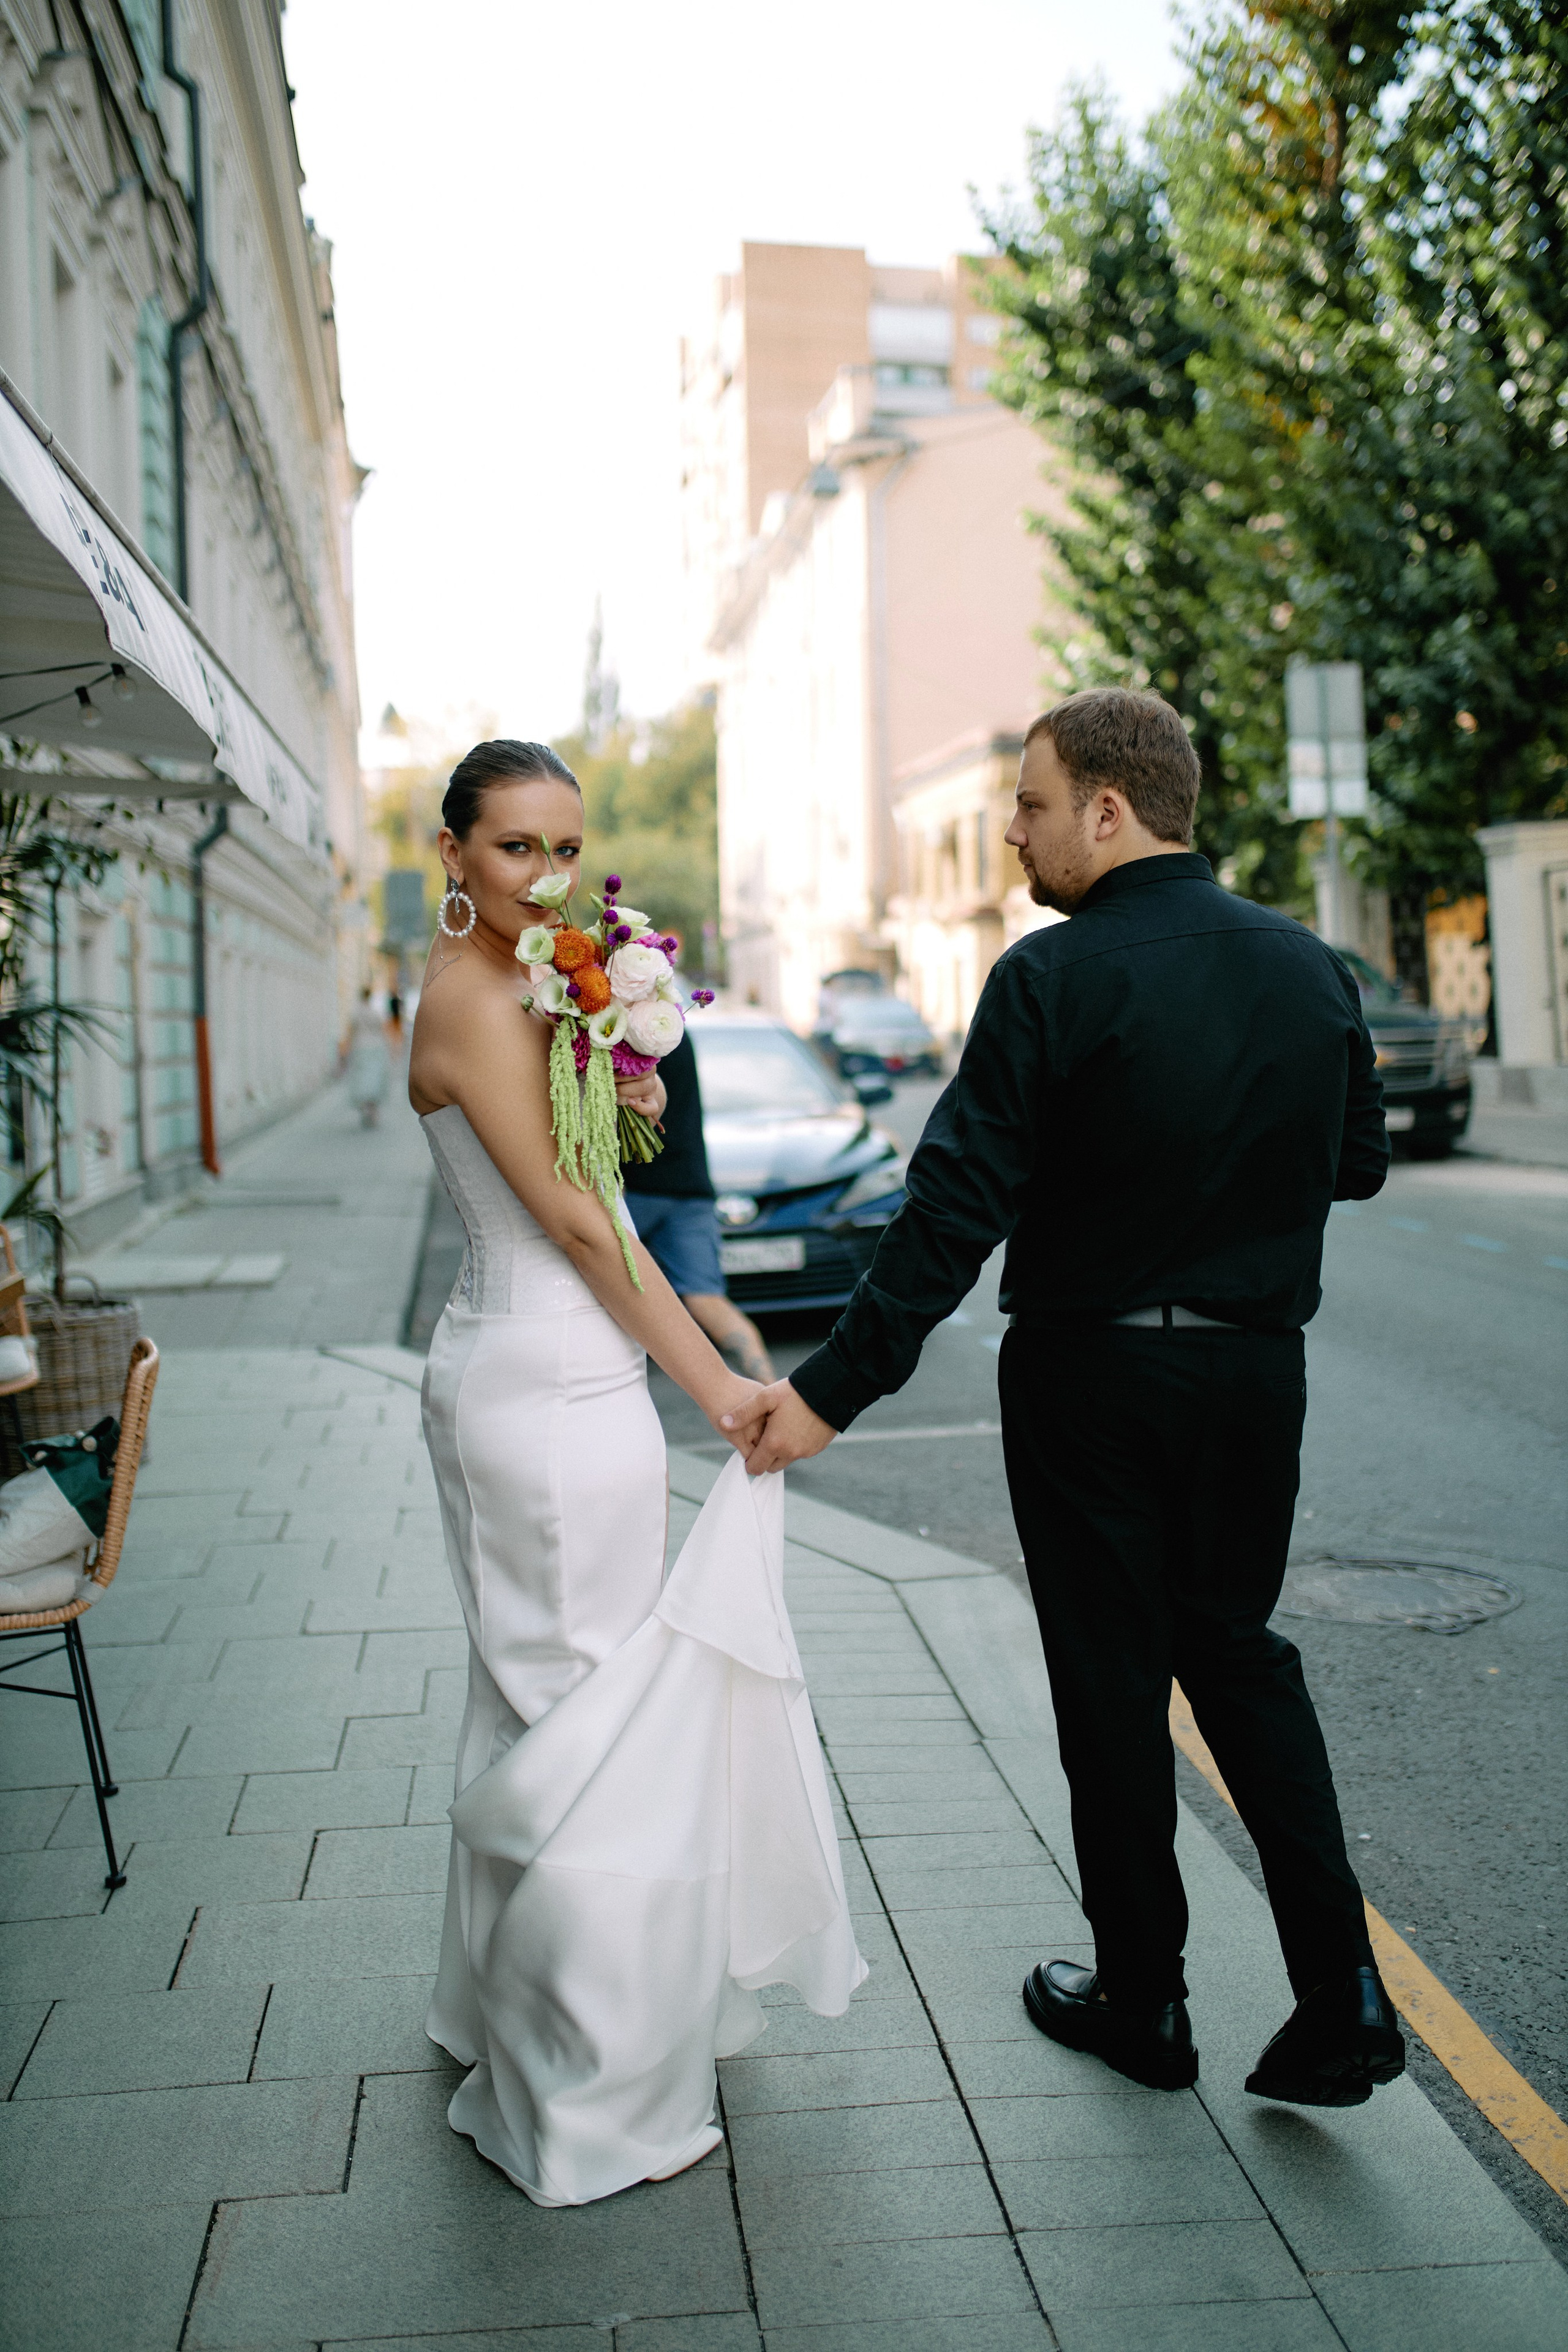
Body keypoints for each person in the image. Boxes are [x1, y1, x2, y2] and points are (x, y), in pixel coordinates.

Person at [730, 688, 1407, 2110]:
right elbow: (1354, 1162)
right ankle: (1339, 1987)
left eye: (1029, 805)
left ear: (1107, 807)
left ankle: (1145, 2000)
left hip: (1090, 1369)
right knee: (1235, 1650)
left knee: (1110, 1674)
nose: (1012, 834)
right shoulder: (1306, 967)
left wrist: (830, 1391)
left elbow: (950, 1207)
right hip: (1250, 1368)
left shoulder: (1048, 976)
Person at [407, 737, 862, 2207]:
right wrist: (723, 1382)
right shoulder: (474, 998)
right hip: (538, 1390)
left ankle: (491, 2008)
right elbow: (592, 1232)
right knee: (578, 1706)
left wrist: (614, 1058)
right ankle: (578, 2090)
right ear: (453, 859)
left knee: (531, 1693)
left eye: (564, 849)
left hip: (556, 1380)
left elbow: (607, 1179)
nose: (547, 880)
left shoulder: (534, 986)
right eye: (514, 850)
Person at [623, 1028, 775, 1383]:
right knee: (706, 1298)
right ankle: (770, 1385)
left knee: (598, 1287)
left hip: (637, 1191)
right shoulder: (670, 1028)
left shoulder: (624, 1029)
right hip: (690, 1188)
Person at [345, 986, 391, 1127]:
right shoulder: (375, 1012)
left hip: (360, 1047)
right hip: (376, 1047)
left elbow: (351, 1032)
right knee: (375, 1077)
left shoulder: (355, 1013)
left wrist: (347, 1050)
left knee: (362, 1077)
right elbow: (382, 1030)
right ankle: (373, 1108)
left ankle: (364, 1105)